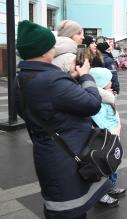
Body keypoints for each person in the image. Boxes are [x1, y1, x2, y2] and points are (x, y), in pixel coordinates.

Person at [15, 20, 111, 219]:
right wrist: (85, 77)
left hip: (47, 152)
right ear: (43, 51)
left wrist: (73, 78)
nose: (54, 48)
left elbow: (45, 107)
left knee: (62, 207)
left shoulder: (21, 78)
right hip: (67, 157)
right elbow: (92, 104)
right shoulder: (52, 80)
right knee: (71, 211)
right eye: (51, 45)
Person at [89, 67, 126, 207]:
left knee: (112, 163)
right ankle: (101, 194)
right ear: (102, 83)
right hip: (106, 137)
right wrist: (112, 131)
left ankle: (111, 186)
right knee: (103, 165)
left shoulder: (105, 95)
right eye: (109, 80)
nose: (111, 82)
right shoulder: (96, 99)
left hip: (113, 135)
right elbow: (100, 119)